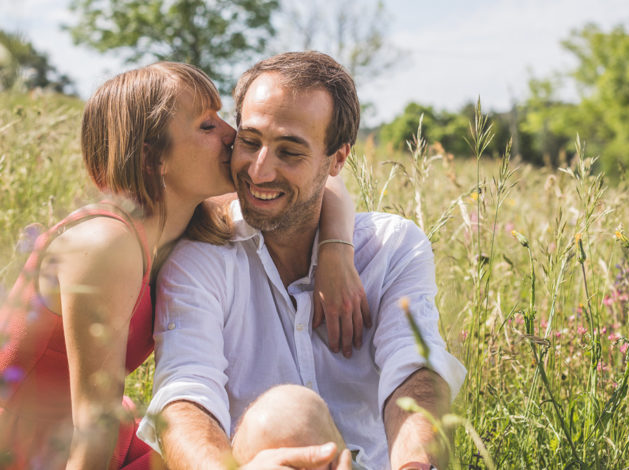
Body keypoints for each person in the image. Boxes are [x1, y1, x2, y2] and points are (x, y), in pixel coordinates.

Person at [0, 61, 367, 470]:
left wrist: (336, 250)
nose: (233, 134)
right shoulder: (107, 244)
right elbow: (93, 431)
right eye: (206, 126)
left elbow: (322, 180)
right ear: (153, 158)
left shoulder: (184, 221)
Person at [137, 51, 466, 470]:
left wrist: (415, 465)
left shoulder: (392, 248)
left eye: (290, 152)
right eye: (250, 141)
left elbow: (415, 369)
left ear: (337, 160)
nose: (258, 171)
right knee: (288, 415)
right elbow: (184, 396)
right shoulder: (200, 260)